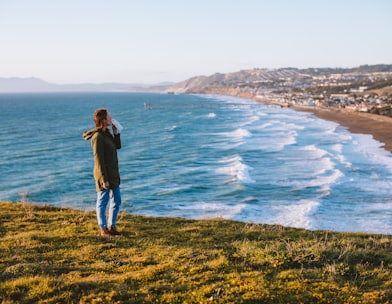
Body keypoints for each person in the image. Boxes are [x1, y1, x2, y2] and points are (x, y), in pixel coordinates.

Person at [83, 108, 122, 237]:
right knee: (102, 201)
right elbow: (98, 159)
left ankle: (112, 226)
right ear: (104, 120)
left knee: (117, 200)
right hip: (103, 174)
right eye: (108, 116)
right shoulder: (98, 137)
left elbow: (117, 147)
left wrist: (116, 133)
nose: (111, 118)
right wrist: (103, 179)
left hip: (113, 173)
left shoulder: (107, 133)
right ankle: (103, 228)